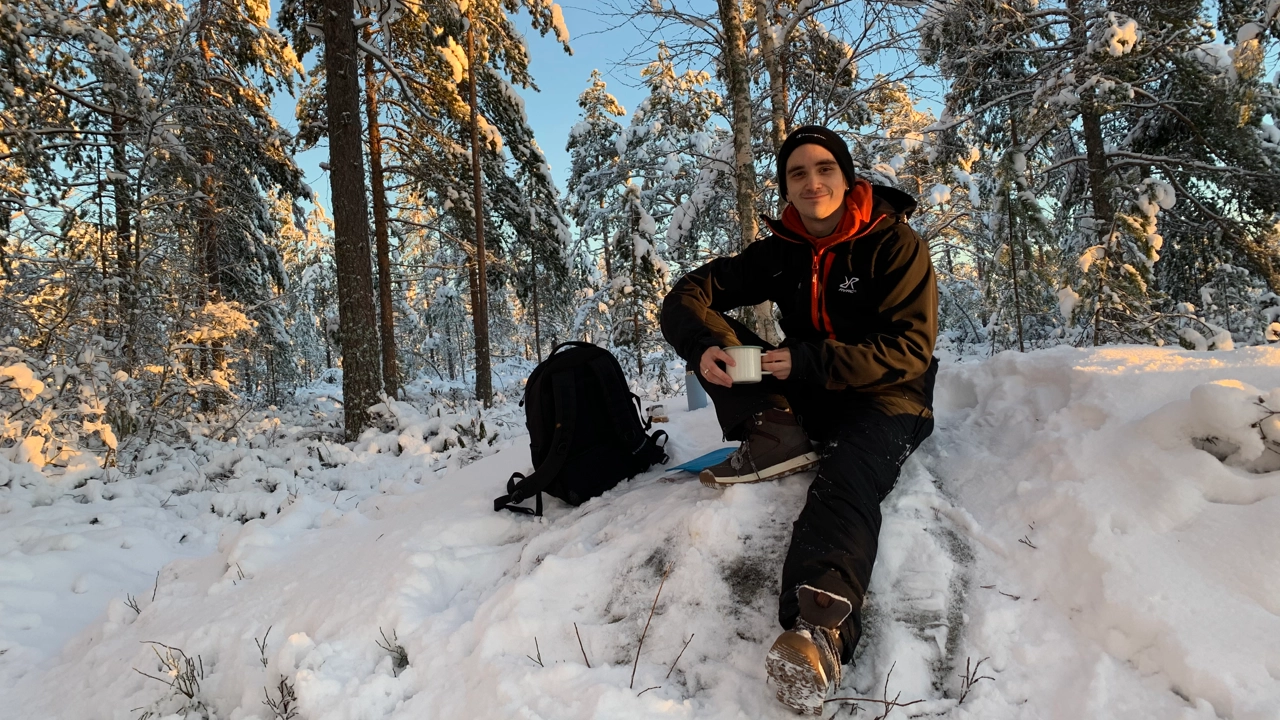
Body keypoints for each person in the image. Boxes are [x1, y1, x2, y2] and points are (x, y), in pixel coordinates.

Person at [660, 125, 938, 714]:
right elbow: (689, 293)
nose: (812, 182)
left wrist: (810, 360)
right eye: (797, 173)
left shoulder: (893, 244)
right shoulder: (782, 250)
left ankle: (820, 630)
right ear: (786, 184)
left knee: (847, 480)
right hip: (810, 386)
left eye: (824, 169)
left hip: (889, 396)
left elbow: (911, 349)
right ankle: (781, 429)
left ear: (846, 176)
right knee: (728, 345)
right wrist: (703, 345)